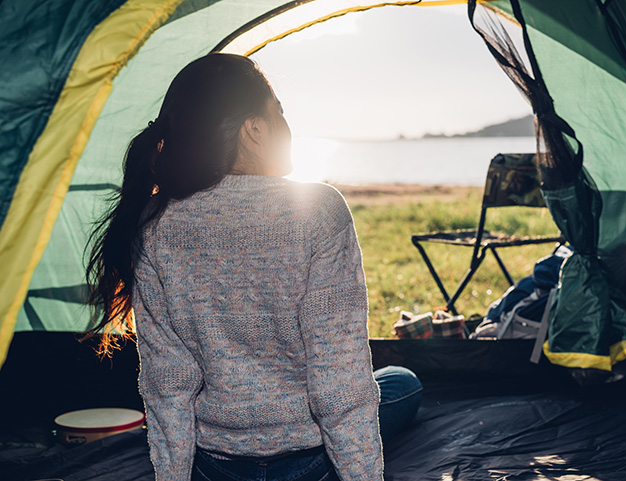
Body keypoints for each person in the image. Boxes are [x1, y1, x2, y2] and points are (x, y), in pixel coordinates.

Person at [83, 52, 422, 481]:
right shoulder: (319, 210)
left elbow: (167, 383)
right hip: (309, 462)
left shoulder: (154, 222)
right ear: (255, 128)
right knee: (403, 382)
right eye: (279, 111)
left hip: (214, 465)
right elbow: (339, 377)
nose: (287, 125)